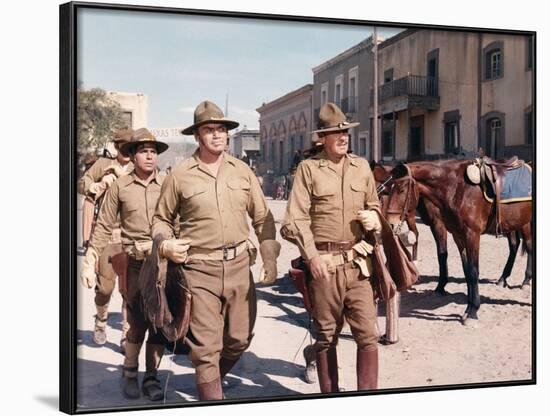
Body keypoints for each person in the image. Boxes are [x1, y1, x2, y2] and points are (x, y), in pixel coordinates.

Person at [151, 100, 280, 401]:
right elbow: (161, 219)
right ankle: (211, 392)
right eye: (209, 130)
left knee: (238, 340)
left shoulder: (243, 172)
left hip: (238, 269)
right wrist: (165, 244)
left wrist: (270, 256)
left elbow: (263, 218)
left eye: (221, 129)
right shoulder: (180, 175)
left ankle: (211, 382)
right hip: (199, 272)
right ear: (197, 136)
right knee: (207, 349)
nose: (217, 135)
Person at [281, 102, 382, 393]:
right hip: (324, 265)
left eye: (345, 132)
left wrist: (374, 215)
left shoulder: (361, 167)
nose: (342, 137)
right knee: (326, 336)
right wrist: (311, 257)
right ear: (321, 138)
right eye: (334, 132)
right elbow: (294, 220)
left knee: (368, 334)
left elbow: (374, 203)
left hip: (358, 264)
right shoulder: (309, 170)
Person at [80, 128, 170, 400]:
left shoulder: (168, 183)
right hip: (133, 263)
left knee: (160, 322)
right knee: (136, 320)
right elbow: (104, 224)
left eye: (153, 151)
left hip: (163, 264)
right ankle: (130, 371)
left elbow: (181, 219)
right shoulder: (120, 186)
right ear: (132, 155)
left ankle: (152, 376)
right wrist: (91, 257)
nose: (149, 156)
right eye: (143, 151)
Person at [78, 128, 134, 348]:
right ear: (116, 147)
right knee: (105, 287)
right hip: (106, 235)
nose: (127, 151)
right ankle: (101, 320)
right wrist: (97, 185)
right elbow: (83, 184)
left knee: (129, 288)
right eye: (123, 147)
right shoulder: (102, 164)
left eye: (132, 147)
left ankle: (127, 331)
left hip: (130, 235)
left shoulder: (137, 167)